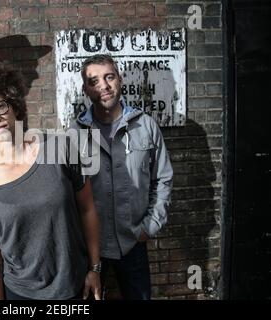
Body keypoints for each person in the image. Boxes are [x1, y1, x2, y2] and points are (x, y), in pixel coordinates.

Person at [0, 57, 102, 300]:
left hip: (75, 287)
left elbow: (87, 209)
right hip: (21, 294)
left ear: (14, 105)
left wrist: (95, 269)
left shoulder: (59, 147)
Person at [72, 54, 173, 300]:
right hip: (91, 248)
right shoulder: (74, 134)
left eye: (109, 77)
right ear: (86, 89)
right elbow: (68, 192)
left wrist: (149, 227)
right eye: (94, 81)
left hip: (133, 242)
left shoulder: (146, 126)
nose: (104, 86)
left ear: (120, 78)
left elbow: (163, 179)